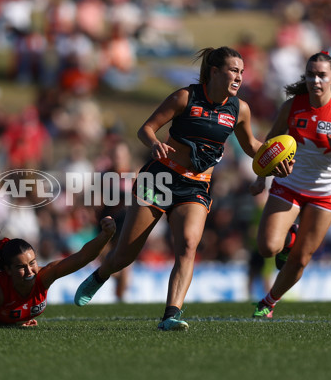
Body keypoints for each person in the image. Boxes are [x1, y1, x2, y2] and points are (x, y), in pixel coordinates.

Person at [74, 46, 290, 330]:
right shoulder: (184, 97)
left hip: (196, 186)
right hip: (160, 178)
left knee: (188, 245)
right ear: (214, 72)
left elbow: (252, 146)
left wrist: (275, 159)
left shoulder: (240, 109)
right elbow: (146, 129)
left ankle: (171, 315)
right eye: (233, 70)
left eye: (241, 72)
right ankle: (101, 274)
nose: (239, 77)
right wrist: (154, 144)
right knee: (125, 255)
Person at [250, 51, 331, 318]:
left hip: (326, 192)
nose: (316, 80)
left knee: (301, 259)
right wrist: (261, 177)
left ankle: (269, 302)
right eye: (311, 74)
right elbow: (270, 143)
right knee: (266, 248)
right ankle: (289, 239)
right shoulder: (291, 106)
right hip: (290, 183)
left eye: (321, 75)